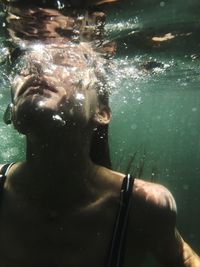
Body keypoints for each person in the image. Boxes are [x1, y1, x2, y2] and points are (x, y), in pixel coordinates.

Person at [0, 1, 200, 267]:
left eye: (64, 61)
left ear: (102, 113)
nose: (38, 66)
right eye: (25, 66)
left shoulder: (144, 205)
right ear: (12, 114)